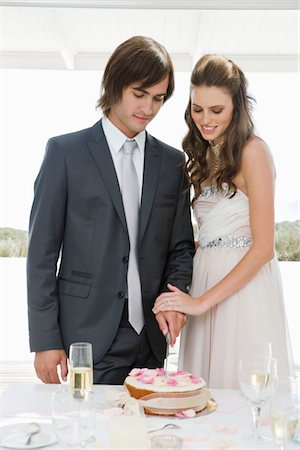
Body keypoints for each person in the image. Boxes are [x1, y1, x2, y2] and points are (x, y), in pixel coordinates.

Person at [27, 35, 195, 385]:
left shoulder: (173, 164)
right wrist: (46, 340)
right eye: (139, 94)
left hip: (150, 339)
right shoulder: (64, 154)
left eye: (158, 98)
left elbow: (180, 249)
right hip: (86, 339)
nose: (148, 108)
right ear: (114, 84)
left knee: (147, 437)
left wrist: (174, 300)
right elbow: (42, 254)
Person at [152, 54, 294, 388]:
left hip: (243, 292)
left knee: (239, 390)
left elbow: (263, 248)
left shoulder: (253, 151)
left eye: (217, 110)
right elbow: (211, 236)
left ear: (237, 106)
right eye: (197, 109)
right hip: (204, 282)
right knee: (203, 395)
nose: (205, 120)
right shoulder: (203, 156)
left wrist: (200, 303)